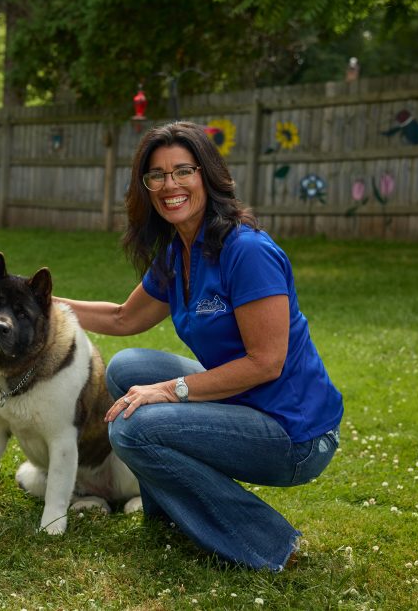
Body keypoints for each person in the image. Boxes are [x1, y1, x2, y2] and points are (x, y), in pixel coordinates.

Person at [56, 121, 342, 571]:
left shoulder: (246, 251)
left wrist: (170, 390)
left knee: (132, 428)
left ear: (207, 175)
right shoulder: (178, 253)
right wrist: (43, 303)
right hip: (243, 404)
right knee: (127, 369)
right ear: (146, 186)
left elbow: (267, 363)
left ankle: (268, 544)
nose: (170, 185)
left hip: (294, 432)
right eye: (157, 175)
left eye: (183, 171)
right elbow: (124, 318)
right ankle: (171, 518)